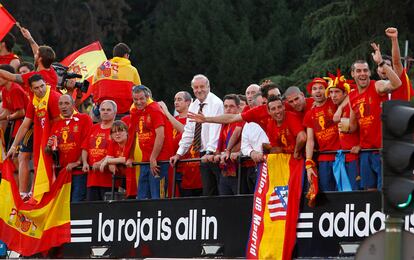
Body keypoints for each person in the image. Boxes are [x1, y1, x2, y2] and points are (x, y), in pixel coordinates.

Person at [348, 43, 402, 190]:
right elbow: (353, 126)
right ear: (353, 74)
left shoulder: (377, 86)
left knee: (383, 191)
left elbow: (397, 83)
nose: (362, 73)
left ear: (369, 73)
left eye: (365, 70)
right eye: (358, 71)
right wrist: (345, 128)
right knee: (369, 192)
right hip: (365, 152)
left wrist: (381, 63)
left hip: (382, 150)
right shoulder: (351, 96)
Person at [6, 74, 61, 200]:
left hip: (57, 137)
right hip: (43, 137)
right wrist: (14, 146)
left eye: (42, 86)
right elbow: (25, 125)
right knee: (38, 162)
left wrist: (51, 141)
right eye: (36, 88)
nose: (40, 90)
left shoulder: (53, 97)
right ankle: (33, 193)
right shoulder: (34, 100)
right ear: (31, 89)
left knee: (51, 166)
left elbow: (59, 123)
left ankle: (43, 195)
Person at [170, 74, 224, 196]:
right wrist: (179, 153)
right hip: (202, 153)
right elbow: (189, 131)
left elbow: (216, 129)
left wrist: (210, 152)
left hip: (215, 153)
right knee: (208, 191)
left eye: (202, 86)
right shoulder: (194, 106)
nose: (199, 90)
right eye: (196, 87)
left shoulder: (216, 103)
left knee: (220, 190)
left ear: (208, 86)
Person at [129, 85, 173, 199]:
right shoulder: (136, 112)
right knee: (142, 198)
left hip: (159, 161)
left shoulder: (155, 109)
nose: (138, 102)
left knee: (157, 198)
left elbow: (161, 135)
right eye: (135, 99)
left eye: (141, 99)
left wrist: (153, 157)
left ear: (147, 97)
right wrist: (128, 156)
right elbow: (132, 136)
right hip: (146, 161)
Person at [46, 94, 92, 202]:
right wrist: (48, 147)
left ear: (73, 105)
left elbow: (88, 143)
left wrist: (78, 162)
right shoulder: (56, 125)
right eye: (61, 104)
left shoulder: (84, 119)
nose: (63, 106)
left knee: (76, 204)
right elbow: (50, 152)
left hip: (79, 172)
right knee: (63, 205)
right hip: (62, 173)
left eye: (67, 103)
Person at [159, 91, 203, 197]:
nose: (176, 102)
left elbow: (184, 130)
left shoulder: (191, 118)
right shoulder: (173, 120)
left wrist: (166, 112)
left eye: (179, 99)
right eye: (175, 100)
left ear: (188, 102)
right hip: (173, 165)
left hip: (189, 166)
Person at [304, 78, 341, 192]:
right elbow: (310, 140)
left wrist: (339, 109)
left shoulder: (334, 102)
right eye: (314, 89)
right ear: (311, 93)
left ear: (326, 91)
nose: (318, 91)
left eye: (321, 88)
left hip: (340, 156)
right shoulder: (309, 114)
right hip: (323, 158)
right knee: (328, 191)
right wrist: (309, 164)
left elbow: (350, 95)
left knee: (344, 190)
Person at [326, 72, 360, 190]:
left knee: (355, 193)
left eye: (337, 92)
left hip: (355, 157)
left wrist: (360, 145)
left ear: (345, 93)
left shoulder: (351, 104)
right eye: (331, 92)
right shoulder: (334, 106)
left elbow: (353, 93)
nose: (333, 95)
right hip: (343, 158)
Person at [92, 43, 141, 116]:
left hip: (104, 109)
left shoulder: (101, 67)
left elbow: (94, 90)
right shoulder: (132, 70)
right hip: (125, 111)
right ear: (126, 55)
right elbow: (139, 91)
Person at [81, 100, 117, 201]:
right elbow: (85, 148)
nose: (105, 112)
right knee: (92, 210)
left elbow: (117, 151)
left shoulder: (117, 129)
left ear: (115, 112)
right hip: (92, 179)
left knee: (107, 212)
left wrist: (101, 162)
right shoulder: (93, 128)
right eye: (103, 109)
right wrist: (84, 162)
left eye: (108, 110)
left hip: (109, 180)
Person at [238, 93, 269, 194]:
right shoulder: (248, 124)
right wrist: (252, 152)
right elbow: (244, 146)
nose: (265, 107)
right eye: (261, 105)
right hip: (259, 167)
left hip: (277, 163)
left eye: (266, 104)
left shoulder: (277, 117)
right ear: (254, 107)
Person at [213, 94, 242, 195]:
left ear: (238, 108)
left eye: (231, 106)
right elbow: (219, 144)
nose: (228, 109)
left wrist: (227, 152)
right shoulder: (224, 123)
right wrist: (217, 154)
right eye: (225, 106)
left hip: (238, 169)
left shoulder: (241, 121)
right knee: (224, 203)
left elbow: (242, 142)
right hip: (224, 169)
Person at [377, 27, 413, 101]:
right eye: (381, 65)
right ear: (377, 70)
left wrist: (394, 39)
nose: (384, 67)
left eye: (388, 65)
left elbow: (396, 62)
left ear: (393, 70)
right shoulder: (375, 87)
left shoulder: (400, 78)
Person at [266, 95, 306, 159]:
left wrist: (296, 151)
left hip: (300, 158)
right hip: (286, 160)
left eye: (279, 107)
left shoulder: (291, 117)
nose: (277, 111)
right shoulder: (270, 125)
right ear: (269, 111)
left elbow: (302, 138)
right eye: (273, 109)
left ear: (284, 106)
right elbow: (275, 149)